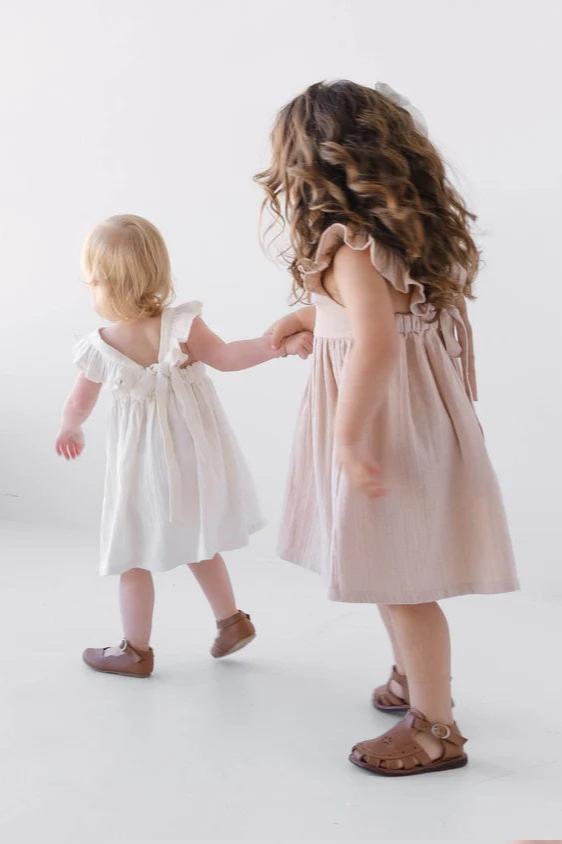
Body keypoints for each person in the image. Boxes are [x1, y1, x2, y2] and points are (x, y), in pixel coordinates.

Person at [257, 81, 519, 775]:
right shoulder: (397, 239)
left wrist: (347, 436)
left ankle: (436, 727)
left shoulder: (349, 250)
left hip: (382, 425)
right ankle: (411, 679)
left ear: (311, 169)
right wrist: (314, 317)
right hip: (414, 418)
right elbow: (390, 318)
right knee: (385, 564)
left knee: (402, 580)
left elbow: (376, 345)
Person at [55, 213, 312, 677]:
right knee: (198, 541)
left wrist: (70, 428)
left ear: (104, 284)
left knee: (133, 554)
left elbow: (79, 401)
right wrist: (280, 345)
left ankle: (135, 650)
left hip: (140, 468)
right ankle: (230, 620)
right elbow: (231, 357)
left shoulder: (103, 344)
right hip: (193, 459)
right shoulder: (183, 325)